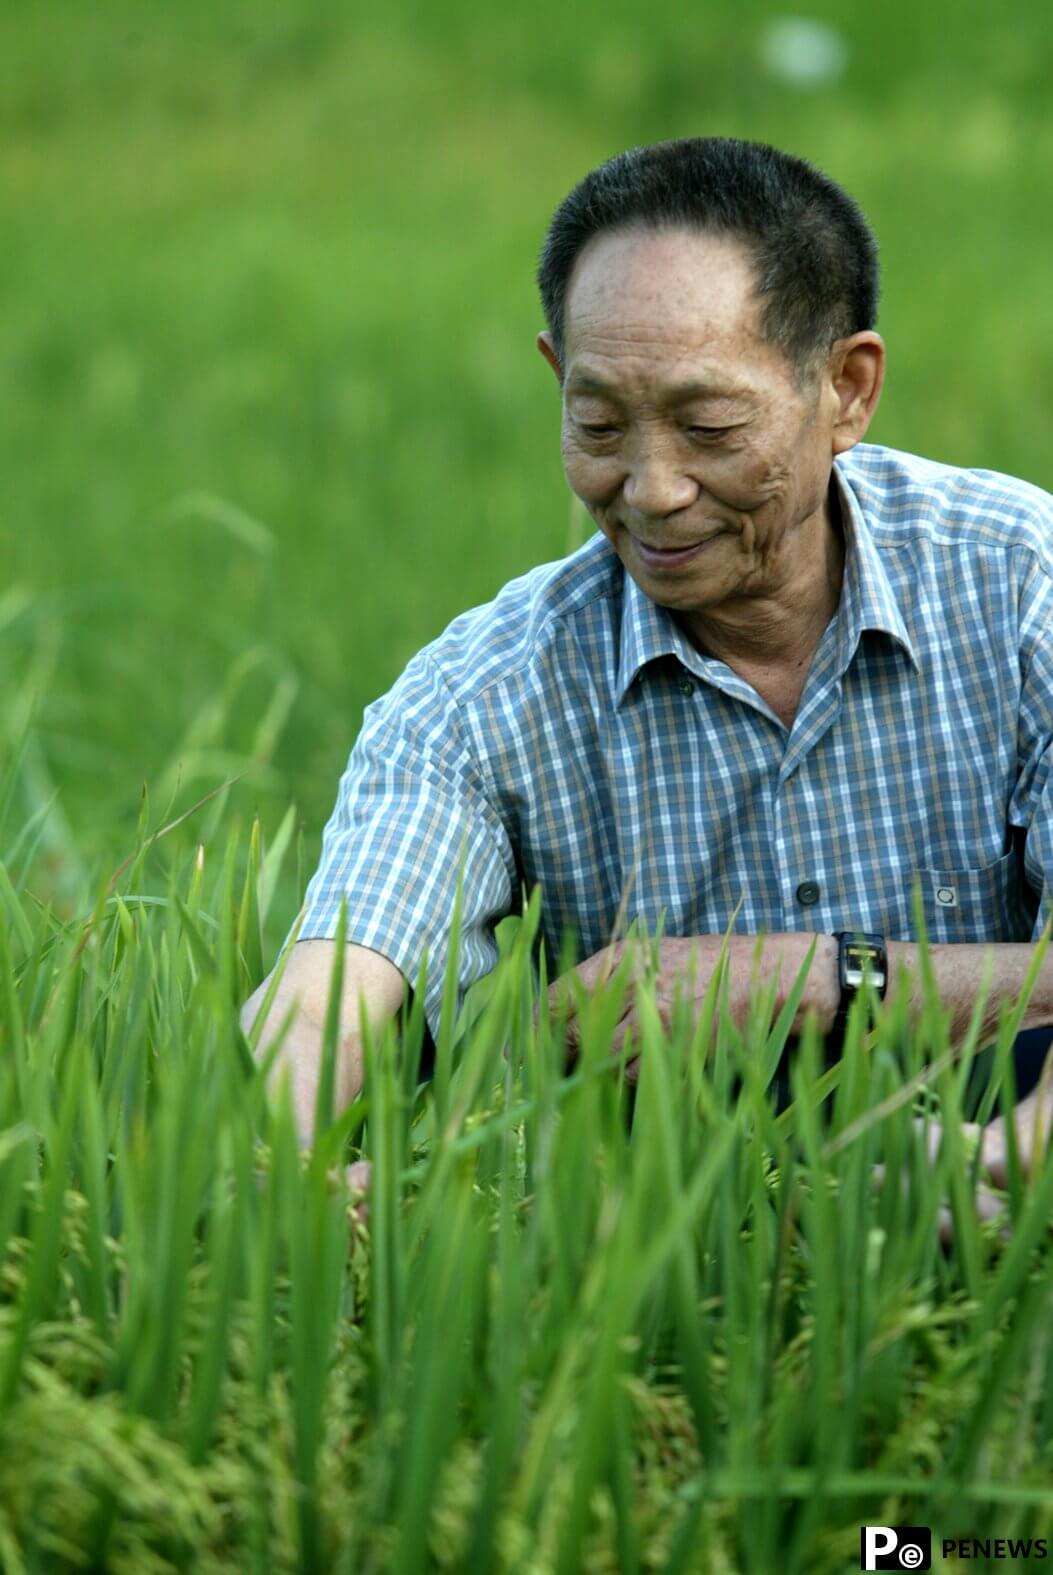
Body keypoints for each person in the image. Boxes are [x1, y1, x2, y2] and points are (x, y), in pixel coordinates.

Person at [240, 136, 1053, 1226]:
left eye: (710, 427)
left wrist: (818, 981)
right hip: (665, 1231)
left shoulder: (1021, 586)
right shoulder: (484, 693)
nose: (653, 490)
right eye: (599, 425)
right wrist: (275, 1153)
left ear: (847, 389)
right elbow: (336, 981)